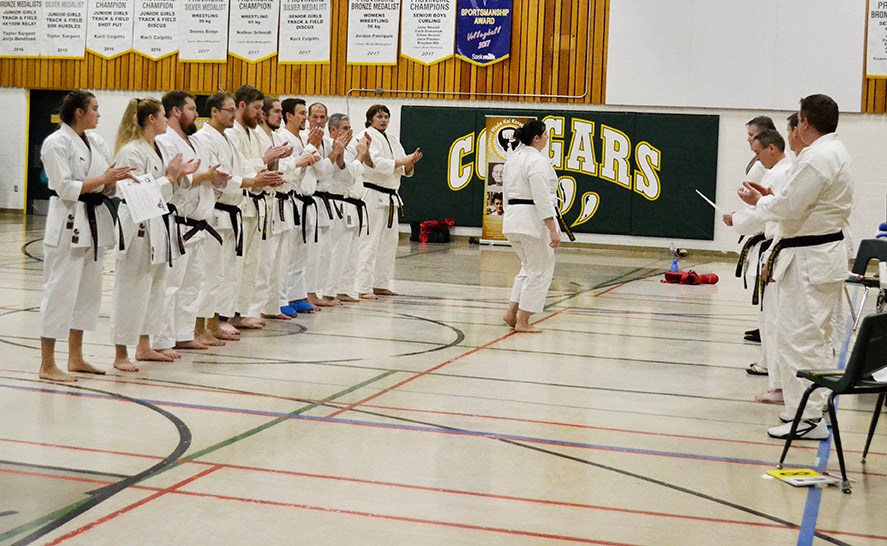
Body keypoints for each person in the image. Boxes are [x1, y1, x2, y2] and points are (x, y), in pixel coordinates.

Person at [738, 94, 854, 440]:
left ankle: (807, 416)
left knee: (799, 340)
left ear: (804, 122)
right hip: (817, 256)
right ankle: (811, 412)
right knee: (812, 339)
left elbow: (789, 208)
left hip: (810, 260)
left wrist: (763, 201)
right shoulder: (833, 152)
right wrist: (770, 199)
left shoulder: (818, 157)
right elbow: (792, 201)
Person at [38, 91, 135, 382]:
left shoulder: (96, 141)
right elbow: (65, 186)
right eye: (94, 108)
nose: (98, 114)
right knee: (59, 293)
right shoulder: (56, 143)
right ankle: (47, 364)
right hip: (68, 222)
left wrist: (112, 182)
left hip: (94, 223)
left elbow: (104, 183)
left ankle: (76, 357)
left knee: (86, 295)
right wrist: (103, 180)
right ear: (78, 112)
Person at [110, 97, 199, 372]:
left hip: (159, 223)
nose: (165, 121)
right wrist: (169, 178)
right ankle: (120, 353)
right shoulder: (131, 151)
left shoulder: (158, 147)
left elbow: (165, 189)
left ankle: (144, 345)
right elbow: (136, 193)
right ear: (151, 119)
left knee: (156, 287)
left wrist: (179, 175)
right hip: (136, 224)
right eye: (162, 115)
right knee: (131, 288)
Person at [191, 91, 285, 341]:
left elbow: (243, 166)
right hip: (216, 212)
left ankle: (213, 323)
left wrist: (259, 179)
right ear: (214, 112)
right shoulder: (205, 139)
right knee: (211, 274)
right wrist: (251, 179)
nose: (234, 115)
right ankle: (202, 327)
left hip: (232, 210)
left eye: (235, 110)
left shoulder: (227, 138)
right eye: (229, 110)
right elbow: (219, 175)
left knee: (224, 273)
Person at [155, 90, 232, 349]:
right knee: (171, 286)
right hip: (177, 221)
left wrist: (218, 178)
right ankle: (162, 340)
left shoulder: (196, 141)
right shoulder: (165, 141)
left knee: (192, 284)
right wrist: (204, 177)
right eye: (190, 108)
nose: (195, 114)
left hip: (199, 223)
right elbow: (173, 180)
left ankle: (184, 334)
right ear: (176, 111)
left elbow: (208, 173)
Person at [723, 130, 792, 404]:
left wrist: (738, 217)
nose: (757, 158)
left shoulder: (780, 173)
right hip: (778, 249)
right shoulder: (786, 170)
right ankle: (773, 374)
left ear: (772, 148)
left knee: (774, 321)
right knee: (769, 319)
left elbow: (764, 215)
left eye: (758, 152)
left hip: (781, 248)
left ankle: (779, 385)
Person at [355, 104, 423, 299]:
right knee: (370, 242)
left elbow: (403, 169)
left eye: (386, 116)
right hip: (371, 194)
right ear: (370, 119)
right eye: (379, 117)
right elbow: (377, 164)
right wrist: (404, 161)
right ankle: (363, 287)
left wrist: (411, 162)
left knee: (388, 243)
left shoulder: (392, 139)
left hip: (391, 196)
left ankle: (380, 284)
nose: (383, 120)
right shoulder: (365, 136)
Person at [501, 120, 561, 333]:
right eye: (545, 135)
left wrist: (510, 216)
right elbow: (541, 197)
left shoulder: (513, 158)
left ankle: (511, 313)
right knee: (540, 271)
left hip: (513, 220)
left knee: (528, 268)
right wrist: (552, 228)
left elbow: (505, 193)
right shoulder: (536, 161)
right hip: (532, 221)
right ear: (536, 138)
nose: (547, 139)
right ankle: (523, 320)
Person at [319, 113, 371, 302]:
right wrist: (360, 155)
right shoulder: (329, 146)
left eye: (349, 128)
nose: (349, 132)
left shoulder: (348, 150)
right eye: (345, 128)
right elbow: (349, 173)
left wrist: (361, 153)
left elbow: (358, 170)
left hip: (352, 204)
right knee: (336, 252)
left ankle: (343, 289)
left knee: (351, 251)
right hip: (336, 203)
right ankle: (327, 292)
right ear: (333, 129)